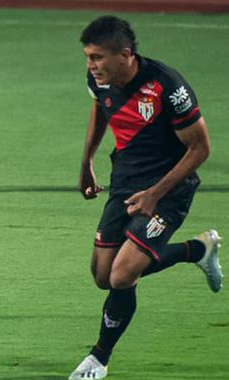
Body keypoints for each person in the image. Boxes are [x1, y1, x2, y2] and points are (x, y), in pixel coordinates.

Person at [70, 15, 223, 380]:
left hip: (168, 190)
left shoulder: (166, 86)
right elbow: (101, 109)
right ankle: (196, 250)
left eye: (97, 57)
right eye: (88, 57)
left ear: (124, 55)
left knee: (123, 275)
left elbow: (200, 149)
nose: (91, 65)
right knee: (102, 276)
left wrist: (156, 194)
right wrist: (87, 161)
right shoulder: (99, 80)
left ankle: (98, 358)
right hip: (124, 182)